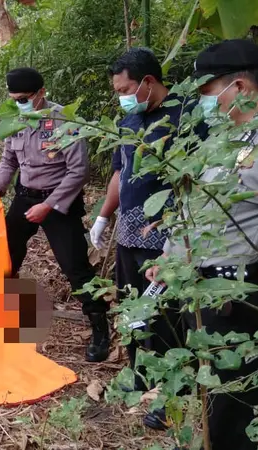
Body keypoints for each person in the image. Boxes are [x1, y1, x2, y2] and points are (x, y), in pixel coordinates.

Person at [146, 39, 258, 450]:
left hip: (239, 295)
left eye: (208, 95)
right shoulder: (222, 139)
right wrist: (171, 256)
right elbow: (200, 210)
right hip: (200, 288)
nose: (203, 104)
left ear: (241, 87)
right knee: (210, 385)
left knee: (234, 401)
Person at [91, 48, 189, 428]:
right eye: (118, 90)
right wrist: (103, 215)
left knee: (168, 317)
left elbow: (191, 182)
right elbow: (120, 171)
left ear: (148, 81)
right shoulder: (129, 120)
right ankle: (139, 373)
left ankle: (172, 394)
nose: (123, 95)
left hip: (166, 236)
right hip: (130, 233)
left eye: (126, 87)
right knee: (133, 310)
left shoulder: (184, 117)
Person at [0, 67, 108, 363]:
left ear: (41, 93)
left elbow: (79, 171)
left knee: (75, 267)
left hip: (58, 203)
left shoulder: (64, 120)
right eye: (14, 99)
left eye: (24, 98)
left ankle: (100, 331)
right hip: (25, 198)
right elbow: (8, 159)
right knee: (5, 258)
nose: (19, 104)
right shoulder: (14, 118)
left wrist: (49, 206)